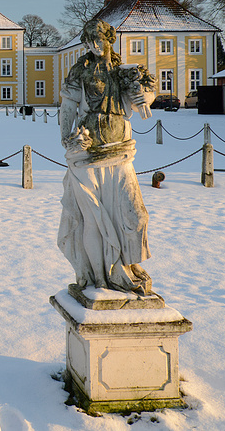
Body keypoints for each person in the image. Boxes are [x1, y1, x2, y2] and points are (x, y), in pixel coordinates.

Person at [57, 18, 156, 297]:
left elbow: (148, 94)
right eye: (88, 41)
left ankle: (126, 267)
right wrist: (68, 138)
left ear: (109, 38)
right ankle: (98, 279)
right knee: (94, 221)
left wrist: (145, 97)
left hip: (120, 150)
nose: (93, 45)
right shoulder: (81, 69)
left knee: (135, 216)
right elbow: (67, 107)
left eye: (97, 39)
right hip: (88, 153)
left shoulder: (125, 71)